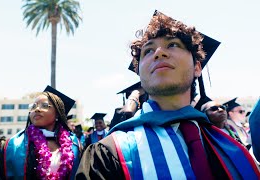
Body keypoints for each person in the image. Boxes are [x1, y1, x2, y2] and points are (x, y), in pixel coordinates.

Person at [76, 10, 259, 179]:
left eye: (172, 44)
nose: (158, 53)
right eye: (148, 50)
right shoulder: (109, 154)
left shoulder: (232, 150)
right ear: (140, 73)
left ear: (197, 67)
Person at [0, 85, 80, 180]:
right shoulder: (12, 145)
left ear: (57, 113)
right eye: (33, 106)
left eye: (44, 105)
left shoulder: (74, 144)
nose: (37, 109)